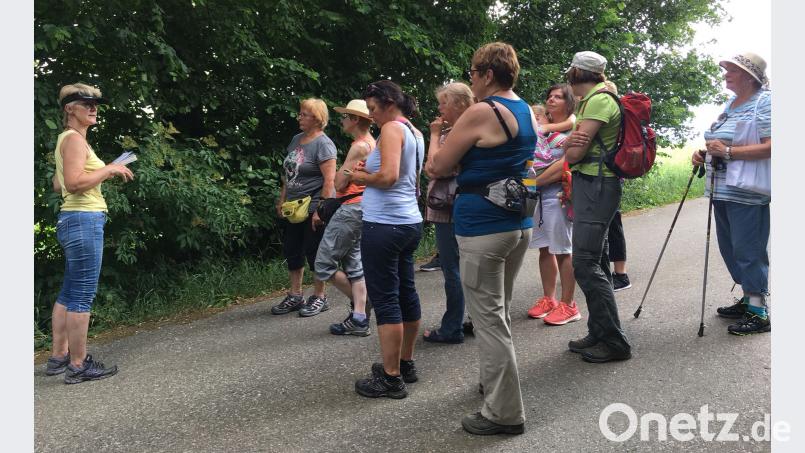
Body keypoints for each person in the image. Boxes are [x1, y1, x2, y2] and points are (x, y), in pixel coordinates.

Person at [427, 42, 535, 436]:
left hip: (483, 228)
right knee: (499, 314)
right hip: (517, 225)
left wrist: (437, 136)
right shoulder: (526, 111)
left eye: (473, 72)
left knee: (488, 321)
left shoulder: (481, 111)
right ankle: (494, 386)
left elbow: (438, 166)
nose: (471, 79)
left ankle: (504, 414)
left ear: (488, 74)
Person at [47, 83, 134, 384]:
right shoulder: (73, 139)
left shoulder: (70, 139)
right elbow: (71, 183)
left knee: (70, 291)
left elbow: (59, 184)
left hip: (74, 219)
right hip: (83, 220)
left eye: (95, 104)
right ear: (70, 108)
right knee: (82, 294)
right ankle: (78, 365)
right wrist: (108, 170)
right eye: (86, 103)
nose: (93, 108)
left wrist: (96, 174)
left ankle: (59, 357)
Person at [351, 80, 425, 399]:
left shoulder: (392, 129)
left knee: (386, 299)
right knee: (406, 292)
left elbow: (389, 177)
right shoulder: (415, 131)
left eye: (373, 109)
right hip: (408, 222)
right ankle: (405, 363)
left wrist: (359, 177)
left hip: (385, 224)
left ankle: (391, 377)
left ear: (389, 103)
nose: (371, 117)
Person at [691, 52, 771, 335]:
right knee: (730, 249)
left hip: (748, 191)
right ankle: (749, 299)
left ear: (749, 76)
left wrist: (728, 151)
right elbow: (721, 140)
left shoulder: (766, 102)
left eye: (731, 70)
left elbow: (773, 144)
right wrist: (703, 153)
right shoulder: (731, 104)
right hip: (721, 189)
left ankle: (759, 311)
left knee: (749, 251)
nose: (725, 74)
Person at [561, 51, 632, 363]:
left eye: (570, 72)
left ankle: (615, 342)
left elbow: (575, 153)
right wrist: (570, 142)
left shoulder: (600, 100)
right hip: (592, 184)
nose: (568, 77)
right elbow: (575, 145)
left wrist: (568, 143)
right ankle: (600, 330)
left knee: (585, 263)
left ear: (578, 72)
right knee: (598, 260)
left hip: (596, 184)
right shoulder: (594, 99)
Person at [315, 99, 376, 335]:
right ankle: (359, 318)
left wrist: (344, 174)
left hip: (351, 208)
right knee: (353, 263)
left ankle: (364, 304)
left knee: (322, 264)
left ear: (355, 119)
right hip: (365, 207)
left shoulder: (360, 146)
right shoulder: (374, 143)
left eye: (345, 117)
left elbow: (340, 183)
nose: (341, 121)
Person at [271, 99, 336, 316]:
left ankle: (320, 296)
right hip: (293, 207)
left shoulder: (324, 144)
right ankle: (296, 295)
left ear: (317, 118)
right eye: (300, 113)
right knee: (292, 249)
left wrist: (321, 209)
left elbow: (329, 181)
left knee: (314, 252)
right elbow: (287, 175)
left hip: (313, 207)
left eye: (304, 114)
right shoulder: (296, 140)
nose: (299, 117)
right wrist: (282, 200)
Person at [422, 82, 474, 344]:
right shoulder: (470, 128)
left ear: (460, 104)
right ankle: (474, 319)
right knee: (470, 266)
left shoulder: (455, 132)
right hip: (461, 203)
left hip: (448, 208)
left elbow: (434, 167)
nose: (439, 108)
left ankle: (452, 327)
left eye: (444, 102)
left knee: (452, 267)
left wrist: (434, 135)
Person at [528, 84, 580, 326]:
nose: (551, 100)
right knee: (544, 248)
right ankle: (548, 299)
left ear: (569, 103)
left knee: (562, 249)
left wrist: (533, 183)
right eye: (549, 96)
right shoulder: (541, 130)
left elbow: (565, 165)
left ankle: (569, 304)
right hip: (538, 196)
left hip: (558, 195)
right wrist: (530, 185)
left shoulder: (572, 131)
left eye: (558, 97)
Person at [602, 80, 631, 292]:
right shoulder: (618, 117)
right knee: (609, 225)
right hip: (611, 175)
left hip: (609, 176)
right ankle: (611, 271)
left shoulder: (615, 117)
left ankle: (621, 274)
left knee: (613, 225)